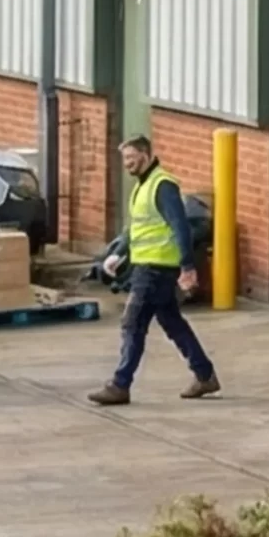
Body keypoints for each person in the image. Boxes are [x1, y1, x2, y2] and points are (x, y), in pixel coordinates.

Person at [90, 136, 219, 407]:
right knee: (172, 322)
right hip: (147, 265)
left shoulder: (163, 185)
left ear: (146, 155)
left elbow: (180, 226)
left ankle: (120, 384)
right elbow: (137, 228)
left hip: (157, 269)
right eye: (124, 159)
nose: (127, 164)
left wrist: (187, 266)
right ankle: (204, 375)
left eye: (131, 158)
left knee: (133, 323)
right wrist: (119, 253)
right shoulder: (143, 187)